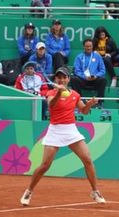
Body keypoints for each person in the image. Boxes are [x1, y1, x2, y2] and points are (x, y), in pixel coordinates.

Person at [20, 67, 106, 206]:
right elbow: (51, 105)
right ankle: (29, 191)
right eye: (59, 77)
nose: (61, 79)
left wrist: (89, 104)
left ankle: (95, 191)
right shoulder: (51, 93)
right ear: (56, 80)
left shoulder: (75, 95)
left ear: (68, 79)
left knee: (87, 159)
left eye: (64, 77)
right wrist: (59, 93)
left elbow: (83, 111)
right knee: (45, 165)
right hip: (55, 130)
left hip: (71, 130)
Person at [70, 39, 107, 107]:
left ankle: (99, 102)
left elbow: (102, 70)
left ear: (92, 46)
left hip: (94, 80)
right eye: (86, 46)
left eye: (90, 46)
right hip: (83, 80)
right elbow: (76, 71)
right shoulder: (79, 57)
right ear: (84, 47)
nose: (88, 48)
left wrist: (96, 76)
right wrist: (85, 77)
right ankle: (80, 100)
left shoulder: (97, 56)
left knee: (103, 80)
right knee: (74, 79)